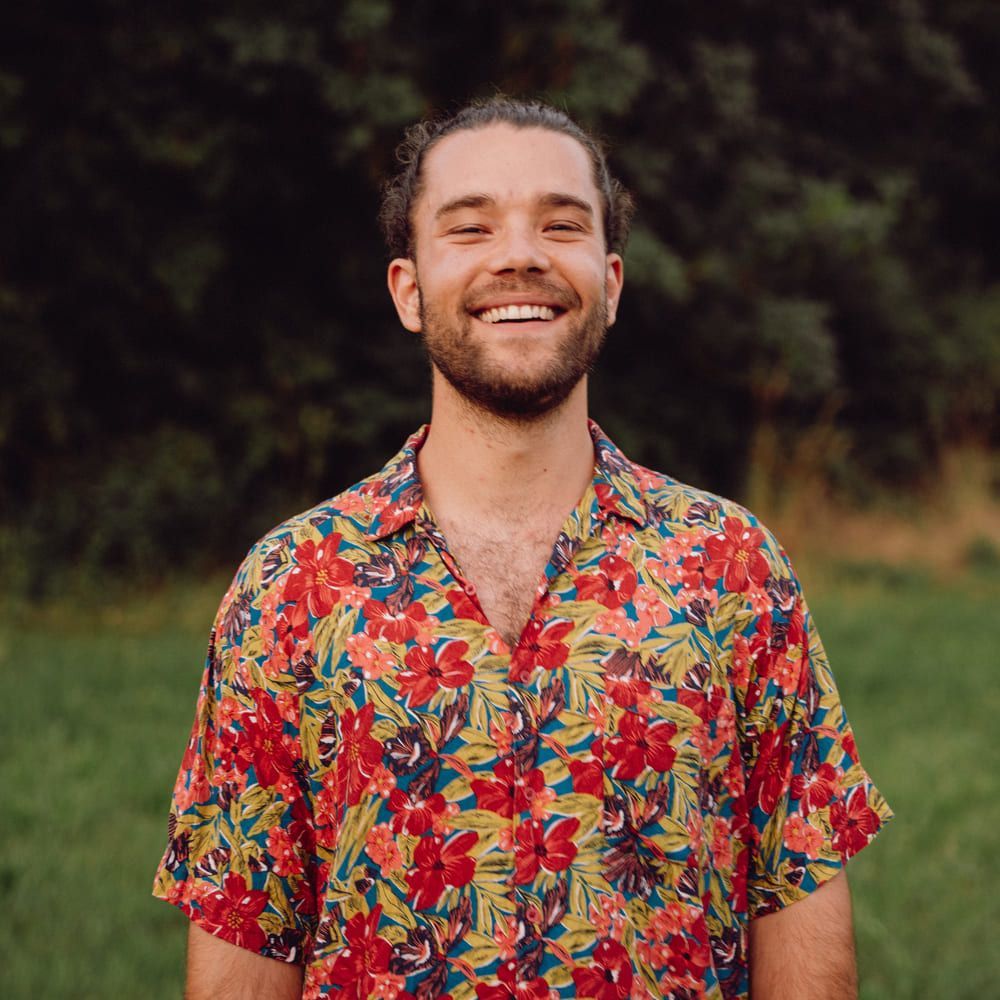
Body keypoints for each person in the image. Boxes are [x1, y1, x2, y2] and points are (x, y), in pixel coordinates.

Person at [154, 97, 891, 1000]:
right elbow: (246, 926)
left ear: (611, 283)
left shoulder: (733, 566)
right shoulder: (289, 586)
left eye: (560, 223)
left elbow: (798, 908)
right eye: (470, 227)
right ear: (408, 290)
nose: (520, 254)